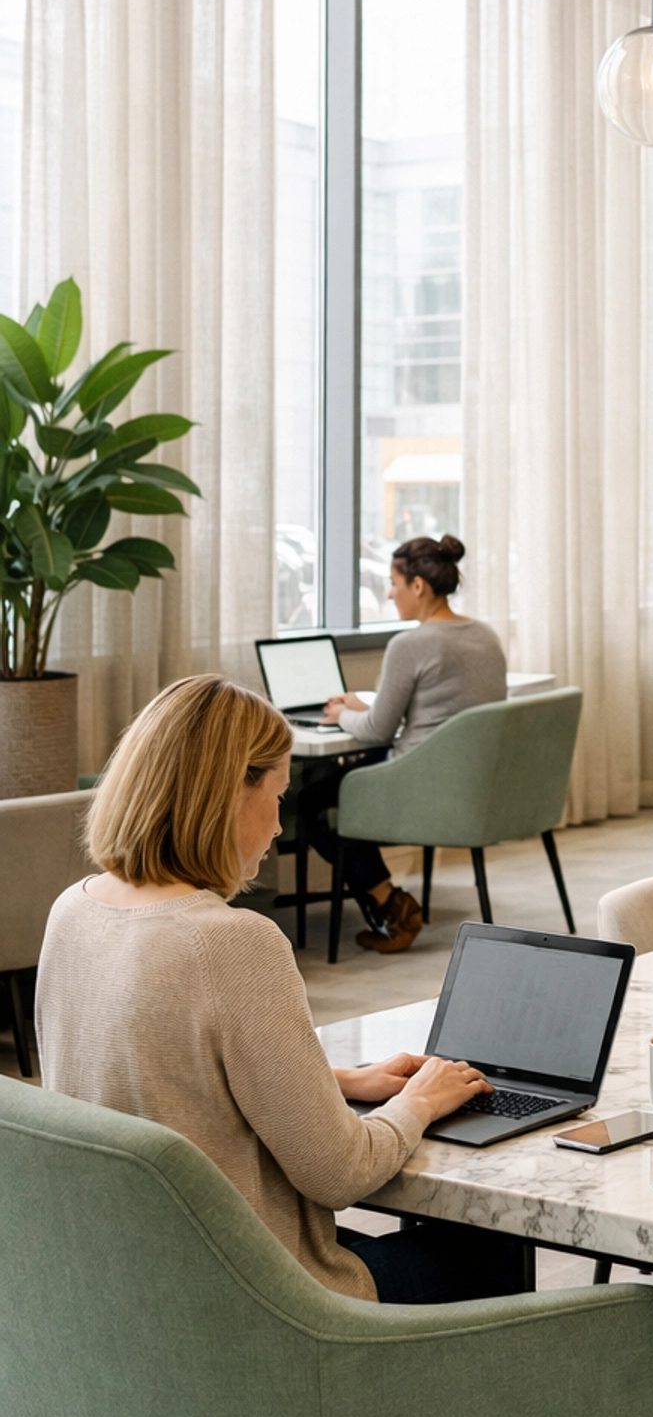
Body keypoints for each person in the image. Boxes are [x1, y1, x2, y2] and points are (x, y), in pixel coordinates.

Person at [35, 675, 527, 1304]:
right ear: (229, 792)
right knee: (490, 1247)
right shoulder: (232, 943)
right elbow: (340, 1172)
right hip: (261, 1305)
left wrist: (338, 1081)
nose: (277, 827)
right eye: (279, 795)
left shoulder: (71, 911)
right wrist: (422, 1102)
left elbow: (155, 1070)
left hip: (134, 1283)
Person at [303, 533, 508, 952]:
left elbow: (379, 731)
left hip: (418, 786)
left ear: (418, 586)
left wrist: (343, 714)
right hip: (471, 784)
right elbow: (436, 712)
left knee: (312, 802)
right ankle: (389, 904)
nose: (388, 592)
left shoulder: (410, 644)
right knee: (335, 780)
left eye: (394, 583)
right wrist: (367, 706)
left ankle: (392, 906)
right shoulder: (485, 635)